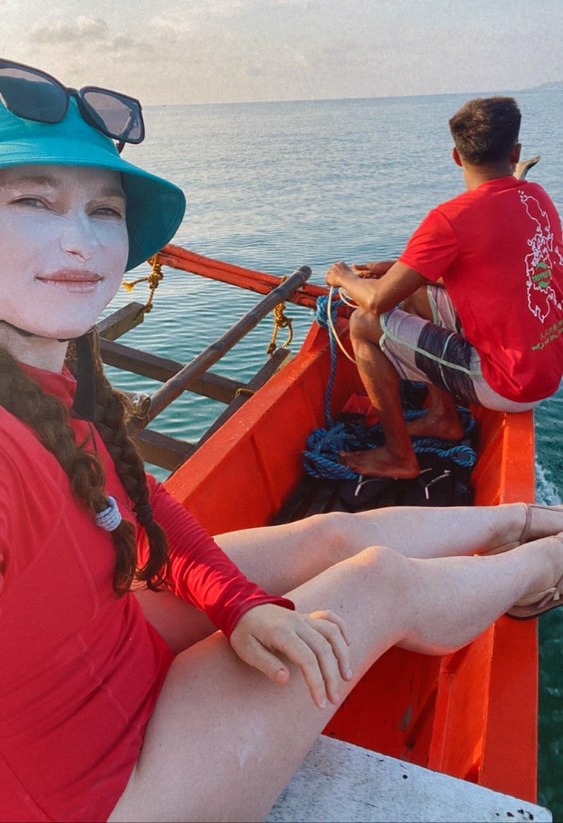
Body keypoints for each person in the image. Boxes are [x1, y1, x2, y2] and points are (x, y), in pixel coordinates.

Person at [1, 61, 563, 823]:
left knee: (330, 531)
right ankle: (547, 560)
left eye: (104, 211)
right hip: (104, 789)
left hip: (112, 642)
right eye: (33, 201)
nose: (80, 242)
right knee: (376, 581)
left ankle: (517, 520)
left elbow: (150, 506)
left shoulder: (53, 394)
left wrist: (239, 606)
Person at [325, 96, 563, 479]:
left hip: (506, 383)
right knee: (418, 292)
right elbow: (494, 269)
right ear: (515, 152)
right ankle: (442, 417)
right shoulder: (537, 198)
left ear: (456, 156)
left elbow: (378, 300)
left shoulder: (450, 219)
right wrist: (403, 270)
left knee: (362, 325)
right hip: (546, 371)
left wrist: (343, 277)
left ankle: (399, 456)